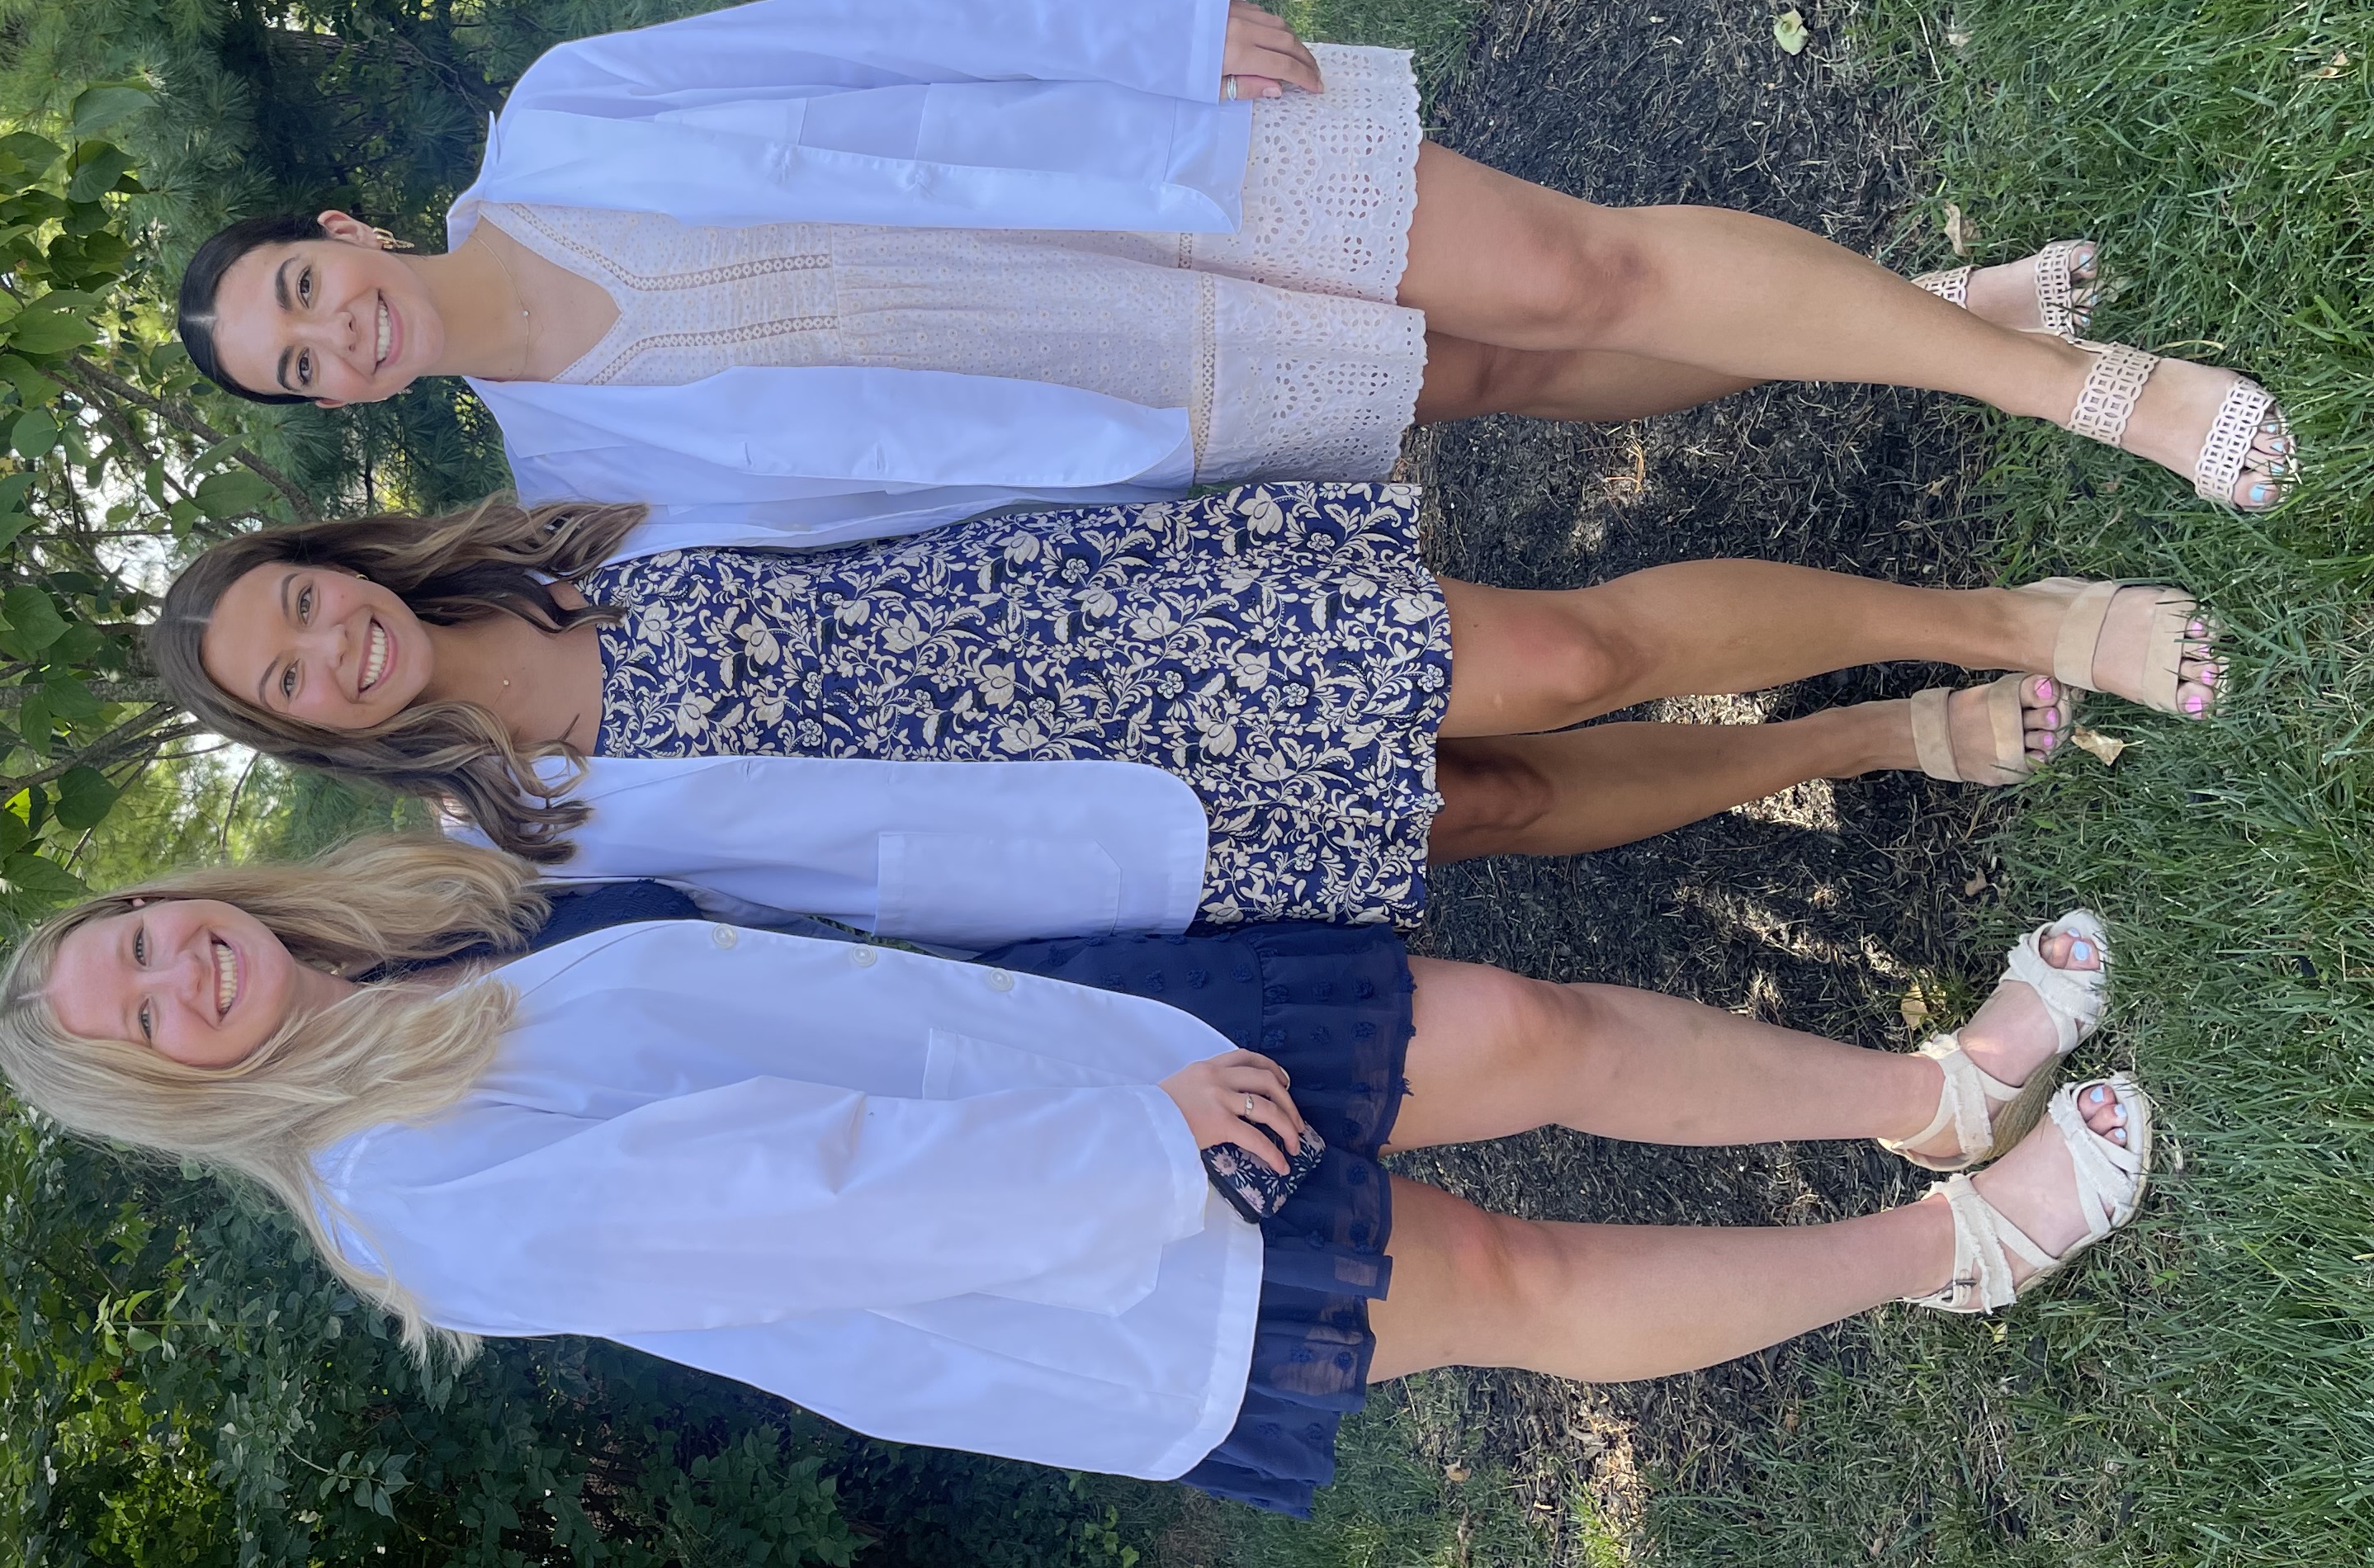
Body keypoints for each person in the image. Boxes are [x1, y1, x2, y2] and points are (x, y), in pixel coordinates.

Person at [0, 837, 2154, 1514]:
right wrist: (1129, 1145)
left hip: (1094, 1051)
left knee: (1536, 1038)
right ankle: (1950, 1244)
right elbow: (790, 1203)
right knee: (1527, 1285)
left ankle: (1932, 1090)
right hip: (1104, 1237)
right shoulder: (399, 1187)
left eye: (149, 934)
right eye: (146, 1015)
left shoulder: (413, 949)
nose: (185, 974)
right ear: (174, 1098)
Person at [169, 0, 2292, 550]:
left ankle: (2068, 386)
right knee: (1504, 380)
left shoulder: (557, 120)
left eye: (293, 293)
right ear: (333, 409)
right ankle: (1944, 321)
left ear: (337, 232)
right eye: (300, 372)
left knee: (1570, 279)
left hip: (1129, 175)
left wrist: (1145, 30)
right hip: (1124, 392)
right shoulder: (569, 485)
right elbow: (892, 520)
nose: (329, 337)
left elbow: (864, 42)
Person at [150, 491, 2216, 941]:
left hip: (1118, 628)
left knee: (1563, 652)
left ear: (343, 565)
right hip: (1071, 826)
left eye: (304, 606)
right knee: (1481, 802)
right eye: (287, 676)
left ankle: (2004, 611)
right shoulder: (504, 842)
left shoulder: (568, 527)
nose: (327, 648)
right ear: (307, 732)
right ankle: (1866, 742)